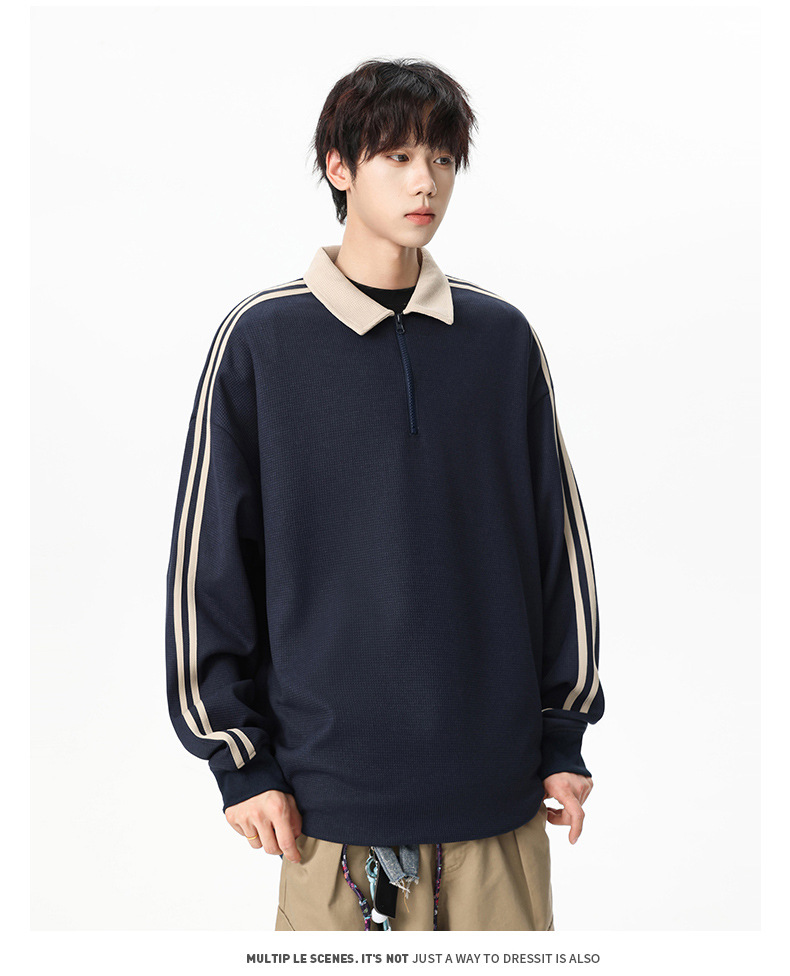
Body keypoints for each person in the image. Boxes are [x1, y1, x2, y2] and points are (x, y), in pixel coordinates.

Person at [165, 57, 604, 932]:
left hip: (497, 797)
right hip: (329, 812)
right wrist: (238, 762)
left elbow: (557, 549)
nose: (424, 182)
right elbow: (208, 566)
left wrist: (563, 735)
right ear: (339, 167)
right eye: (397, 157)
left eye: (441, 159)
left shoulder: (501, 339)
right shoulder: (262, 340)